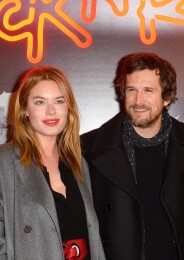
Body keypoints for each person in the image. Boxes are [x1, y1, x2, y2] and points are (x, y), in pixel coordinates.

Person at [81, 52, 184, 260]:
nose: (138, 101)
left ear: (166, 97)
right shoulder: (90, 147)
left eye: (148, 90)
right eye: (131, 90)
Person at [0, 66, 106, 260]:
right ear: (24, 109)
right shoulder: (4, 161)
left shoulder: (78, 162)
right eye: (40, 102)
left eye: (59, 101)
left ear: (68, 108)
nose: (51, 111)